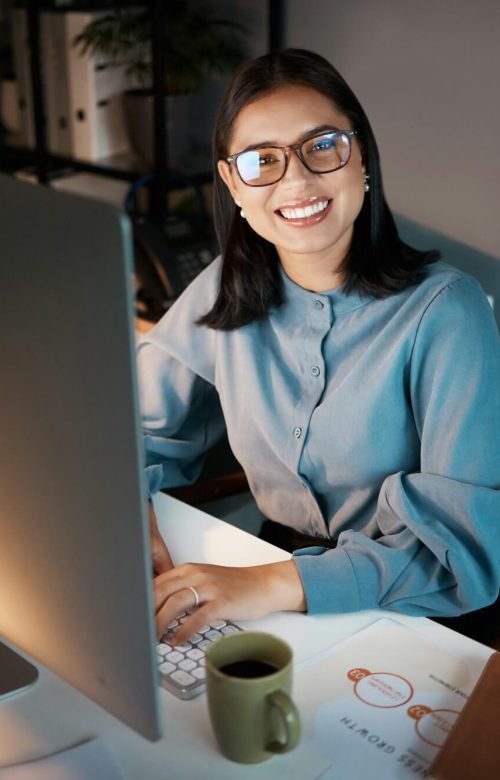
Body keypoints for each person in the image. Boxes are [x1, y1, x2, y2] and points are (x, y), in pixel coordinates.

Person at [137, 48, 500, 646]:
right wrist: (134, 511)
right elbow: (128, 428)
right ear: (233, 183)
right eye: (262, 161)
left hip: (424, 613)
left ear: (361, 156)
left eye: (323, 145)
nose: (298, 180)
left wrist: (269, 584)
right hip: (271, 579)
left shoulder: (448, 312)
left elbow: (463, 554)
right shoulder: (227, 285)